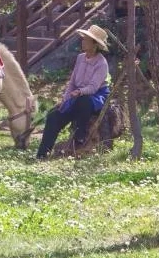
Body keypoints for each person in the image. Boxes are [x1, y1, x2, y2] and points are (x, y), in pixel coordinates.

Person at [36, 24, 110, 159]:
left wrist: (80, 92)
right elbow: (72, 82)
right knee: (54, 115)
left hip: (94, 98)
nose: (82, 41)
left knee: (84, 100)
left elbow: (93, 87)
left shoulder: (101, 63)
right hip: (76, 96)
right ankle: (42, 154)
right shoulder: (80, 58)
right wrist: (65, 99)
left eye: (86, 40)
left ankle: (80, 134)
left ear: (94, 44)